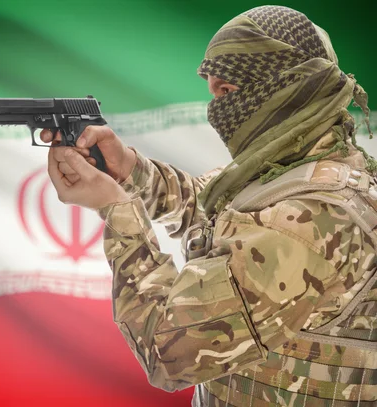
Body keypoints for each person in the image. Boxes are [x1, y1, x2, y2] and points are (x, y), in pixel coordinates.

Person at [42, 5, 376, 406]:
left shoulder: (311, 219)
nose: (216, 109)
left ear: (287, 84)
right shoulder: (296, 169)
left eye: (228, 92)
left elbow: (169, 355)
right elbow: (207, 208)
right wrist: (128, 168)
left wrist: (117, 209)